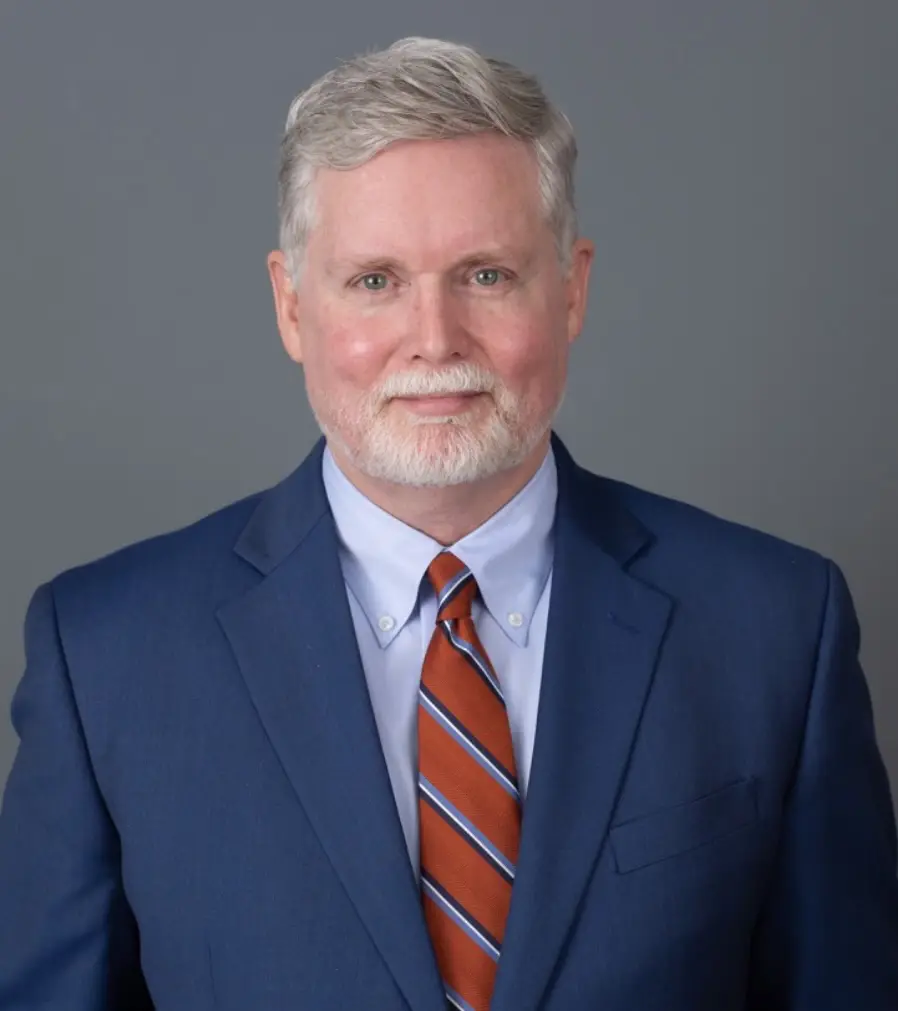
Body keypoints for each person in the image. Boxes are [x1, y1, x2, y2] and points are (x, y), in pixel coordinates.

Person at [0, 34, 896, 1011]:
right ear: (292, 306)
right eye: (375, 281)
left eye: (485, 275)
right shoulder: (107, 655)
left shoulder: (772, 629)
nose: (433, 341)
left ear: (572, 290)